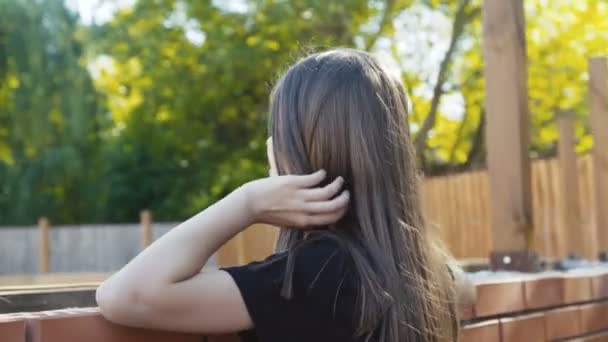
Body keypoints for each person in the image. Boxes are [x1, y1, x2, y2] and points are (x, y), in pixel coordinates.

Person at [96, 48, 474, 342]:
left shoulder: (319, 274)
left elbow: (124, 295)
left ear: (297, 151)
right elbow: (466, 287)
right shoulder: (428, 274)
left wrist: (248, 202)